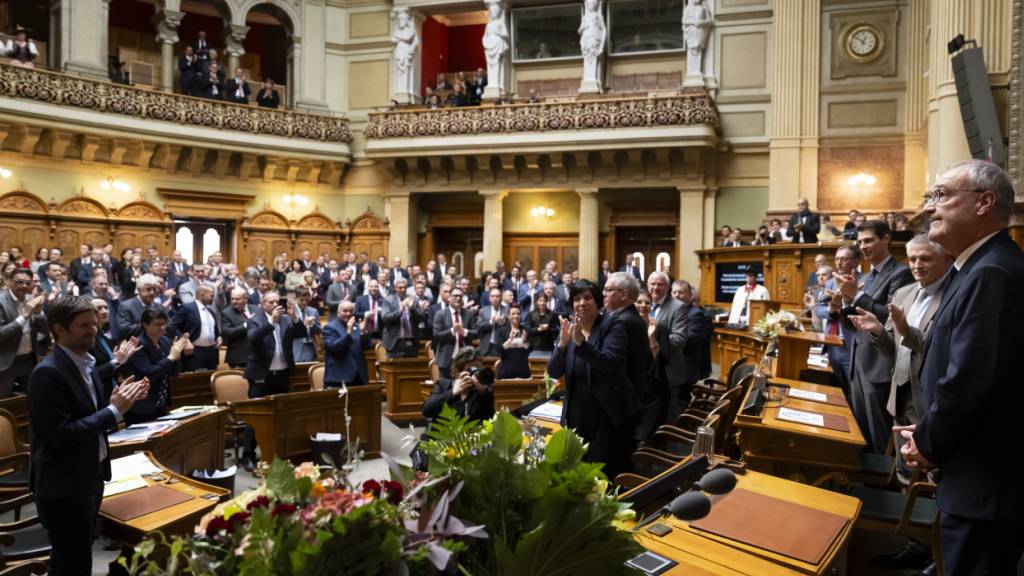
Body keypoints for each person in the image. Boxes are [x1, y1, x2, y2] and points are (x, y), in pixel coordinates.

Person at [898, 161, 1024, 575]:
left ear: (984, 202)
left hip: (985, 481)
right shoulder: (973, 266)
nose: (929, 208)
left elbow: (971, 382)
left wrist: (927, 442)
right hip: (972, 470)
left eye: (941, 195)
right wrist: (929, 430)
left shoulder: (992, 271)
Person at [28, 297, 150, 575]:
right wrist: (113, 411)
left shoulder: (87, 364)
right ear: (59, 330)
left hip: (89, 476)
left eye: (94, 323)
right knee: (76, 564)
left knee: (68, 559)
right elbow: (61, 435)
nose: (93, 330)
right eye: (84, 325)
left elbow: (87, 414)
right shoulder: (47, 374)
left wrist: (119, 402)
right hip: (64, 485)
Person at [547, 280, 640, 479]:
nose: (582, 303)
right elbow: (553, 371)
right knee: (577, 469)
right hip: (576, 413)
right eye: (577, 299)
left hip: (605, 413)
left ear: (598, 301)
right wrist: (562, 345)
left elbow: (609, 363)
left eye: (587, 298)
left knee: (601, 471)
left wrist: (581, 343)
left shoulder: (612, 325)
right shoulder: (571, 328)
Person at [842, 220, 914, 454]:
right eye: (860, 242)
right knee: (861, 427)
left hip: (880, 363)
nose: (863, 246)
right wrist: (845, 301)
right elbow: (853, 322)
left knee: (880, 431)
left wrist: (857, 295)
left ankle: (884, 473)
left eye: (868, 240)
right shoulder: (866, 276)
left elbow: (891, 317)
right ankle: (867, 473)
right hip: (858, 361)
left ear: (886, 239)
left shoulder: (901, 273)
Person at [603, 272, 654, 440]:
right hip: (629, 398)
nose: (604, 294)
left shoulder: (623, 321)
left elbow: (609, 362)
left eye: (608, 290)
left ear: (624, 294)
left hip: (621, 402)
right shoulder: (629, 317)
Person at [123, 308, 188, 424]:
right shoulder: (137, 346)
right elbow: (149, 374)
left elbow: (174, 373)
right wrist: (171, 357)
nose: (162, 328)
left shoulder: (166, 341)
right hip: (141, 406)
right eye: (157, 324)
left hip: (161, 403)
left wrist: (177, 357)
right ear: (145, 325)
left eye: (164, 324)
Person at [815, 245, 861, 393]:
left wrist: (843, 304)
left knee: (854, 390)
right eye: (837, 259)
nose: (839, 263)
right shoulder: (830, 283)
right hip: (832, 342)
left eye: (844, 259)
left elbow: (864, 310)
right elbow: (818, 309)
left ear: (856, 261)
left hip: (852, 343)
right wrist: (831, 309)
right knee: (836, 389)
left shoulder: (862, 281)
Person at [0, 269, 48, 397]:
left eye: (28, 283)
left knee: (35, 397)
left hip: (29, 360)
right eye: (19, 282)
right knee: (4, 402)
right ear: (9, 281)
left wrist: (38, 312)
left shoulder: (31, 299)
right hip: (5, 362)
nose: (24, 286)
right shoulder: (1, 301)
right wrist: (24, 315)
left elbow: (44, 331)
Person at [422, 347, 495, 424]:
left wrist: (483, 394)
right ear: (458, 371)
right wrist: (452, 392)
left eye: (478, 370)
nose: (475, 374)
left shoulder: (483, 391)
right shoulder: (444, 385)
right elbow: (427, 411)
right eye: (470, 370)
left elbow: (489, 420)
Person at [245, 290, 295, 398]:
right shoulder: (254, 320)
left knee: (283, 406)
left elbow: (300, 334)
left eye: (277, 302)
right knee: (260, 407)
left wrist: (294, 317)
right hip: (261, 375)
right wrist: (271, 321)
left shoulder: (286, 319)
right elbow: (253, 338)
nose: (275, 304)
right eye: (271, 302)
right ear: (263, 305)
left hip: (283, 374)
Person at [323, 301, 373, 387]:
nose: (348, 313)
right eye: (345, 311)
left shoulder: (357, 326)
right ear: (338, 312)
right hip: (339, 378)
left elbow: (367, 346)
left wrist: (363, 333)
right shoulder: (330, 327)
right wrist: (348, 333)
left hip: (359, 377)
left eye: (350, 311)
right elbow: (335, 347)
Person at [173, 284, 221, 372]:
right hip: (194, 352)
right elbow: (172, 326)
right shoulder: (187, 308)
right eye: (211, 295)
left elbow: (215, 331)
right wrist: (184, 341)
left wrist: (219, 338)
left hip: (211, 353)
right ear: (202, 294)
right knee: (196, 379)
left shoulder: (211, 312)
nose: (213, 298)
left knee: (211, 379)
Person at [432, 286, 477, 378]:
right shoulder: (440, 314)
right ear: (449, 298)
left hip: (466, 359)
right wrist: (452, 330)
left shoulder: (468, 314)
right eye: (455, 296)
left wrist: (464, 331)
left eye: (460, 296)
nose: (458, 298)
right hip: (446, 359)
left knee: (465, 384)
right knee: (447, 385)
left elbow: (476, 333)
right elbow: (436, 335)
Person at [116, 273, 168, 342]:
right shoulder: (126, 306)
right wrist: (149, 325)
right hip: (135, 344)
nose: (152, 293)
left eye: (154, 289)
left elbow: (169, 326)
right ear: (139, 290)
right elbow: (124, 330)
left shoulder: (160, 307)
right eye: (148, 289)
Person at [221, 287, 256, 368]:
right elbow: (227, 332)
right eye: (232, 299)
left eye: (237, 299)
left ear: (245, 299)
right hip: (239, 358)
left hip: (256, 355)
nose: (234, 301)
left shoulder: (256, 310)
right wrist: (245, 325)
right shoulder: (226, 313)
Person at [497, 305, 531, 379]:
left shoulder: (526, 330)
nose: (516, 316)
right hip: (506, 369)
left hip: (523, 369)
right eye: (513, 314)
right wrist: (509, 340)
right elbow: (499, 350)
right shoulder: (502, 330)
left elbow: (530, 350)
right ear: (508, 316)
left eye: (518, 314)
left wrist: (525, 341)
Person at [290, 287, 321, 363]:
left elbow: (319, 331)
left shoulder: (313, 311)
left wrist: (312, 324)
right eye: (301, 300)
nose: (304, 302)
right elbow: (289, 331)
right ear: (296, 298)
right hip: (296, 346)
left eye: (307, 300)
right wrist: (302, 325)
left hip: (310, 346)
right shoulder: (291, 312)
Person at [475, 288, 508, 358]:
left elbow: (512, 327)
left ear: (501, 298)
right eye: (492, 296)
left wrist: (503, 323)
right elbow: (478, 327)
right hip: (487, 346)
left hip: (503, 346)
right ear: (489, 298)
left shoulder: (507, 310)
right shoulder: (483, 311)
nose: (495, 298)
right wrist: (491, 322)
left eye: (497, 296)